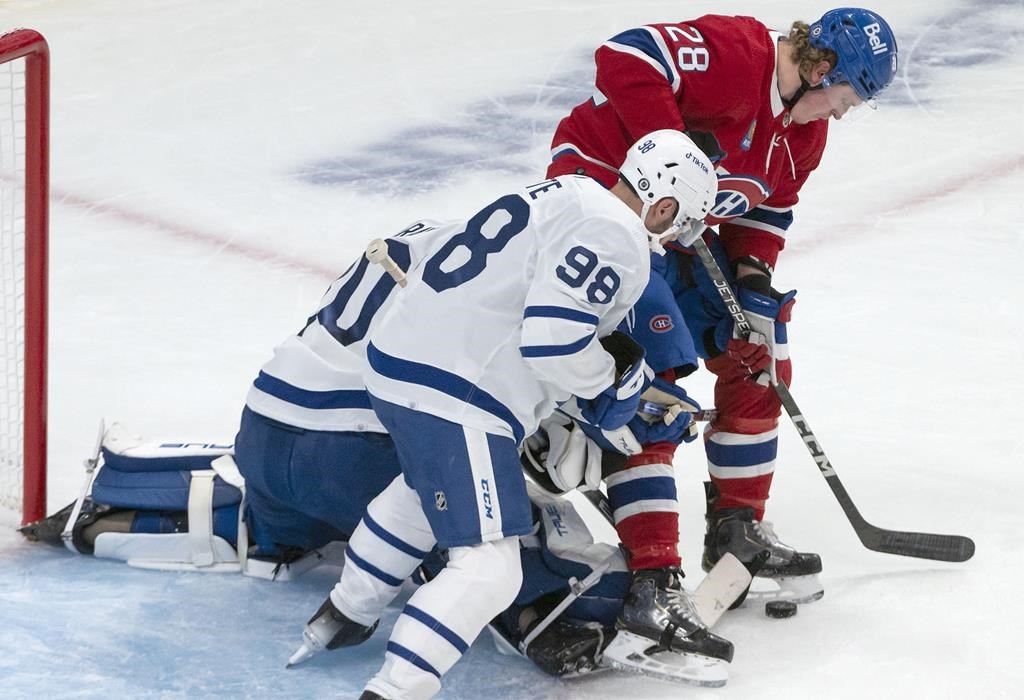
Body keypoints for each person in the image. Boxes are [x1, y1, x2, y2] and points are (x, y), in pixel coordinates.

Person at [544, 7, 898, 602]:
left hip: (675, 227)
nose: (846, 111)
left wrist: (753, 284)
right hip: (602, 202)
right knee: (652, 368)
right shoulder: (739, 54)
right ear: (822, 66)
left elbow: (765, 210)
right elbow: (625, 54)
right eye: (849, 94)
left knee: (760, 352)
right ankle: (652, 571)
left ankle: (738, 529)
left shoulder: (806, 132)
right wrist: (671, 158)